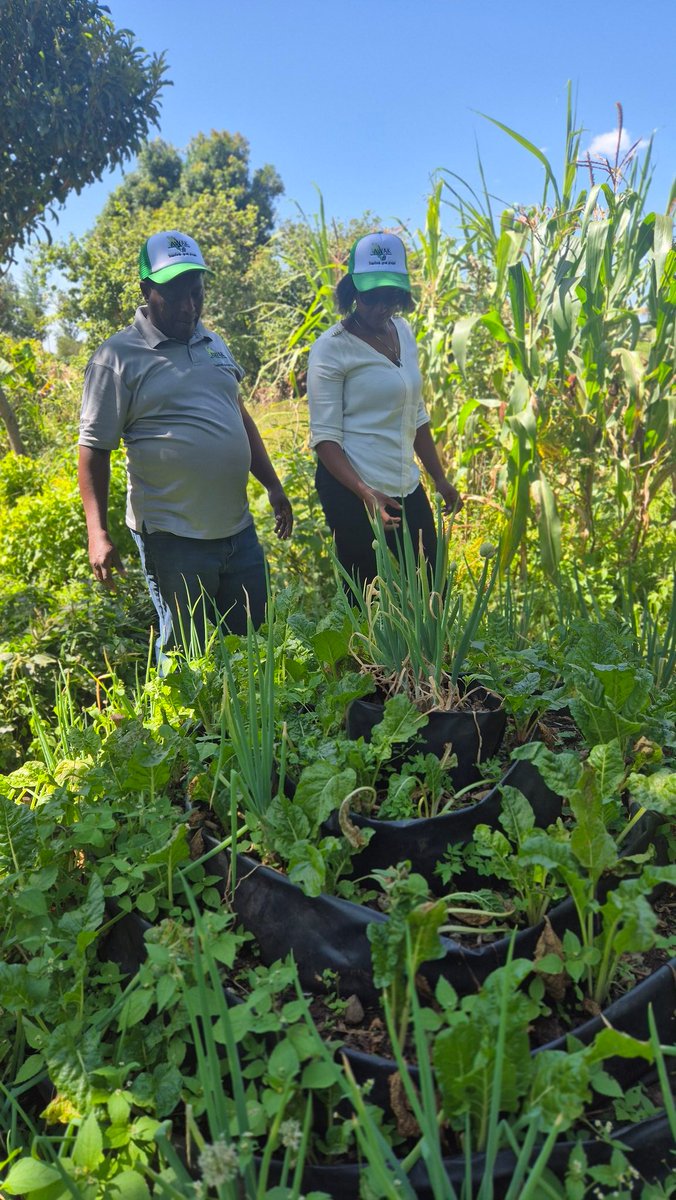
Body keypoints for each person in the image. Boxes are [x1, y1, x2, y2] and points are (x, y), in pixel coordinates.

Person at [78, 230, 293, 657]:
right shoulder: (116, 357)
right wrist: (97, 532)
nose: (188, 307)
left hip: (238, 530)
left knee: (253, 642)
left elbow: (239, 416)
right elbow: (93, 449)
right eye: (174, 296)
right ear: (146, 290)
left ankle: (248, 724)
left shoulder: (213, 341)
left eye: (196, 294)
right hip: (173, 536)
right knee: (185, 656)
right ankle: (186, 727)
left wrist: (273, 486)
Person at [306, 231, 462, 588]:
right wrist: (364, 493)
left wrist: (438, 477)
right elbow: (325, 439)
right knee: (367, 597)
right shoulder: (331, 349)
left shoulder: (403, 332)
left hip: (404, 482)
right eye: (372, 296)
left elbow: (416, 413)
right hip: (352, 490)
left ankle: (431, 647)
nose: (382, 306)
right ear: (353, 291)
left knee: (432, 586)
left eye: (391, 296)